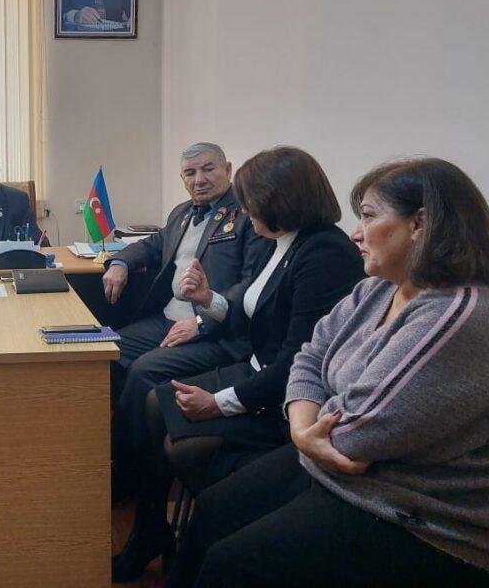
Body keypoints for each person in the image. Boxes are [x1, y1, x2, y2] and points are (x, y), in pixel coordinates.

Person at [168, 157, 489, 588]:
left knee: (231, 565)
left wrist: (307, 425)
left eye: (369, 216)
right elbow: (309, 356)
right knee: (212, 511)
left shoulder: (458, 315)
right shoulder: (380, 287)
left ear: (419, 224)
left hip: (434, 519)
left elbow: (353, 435)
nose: (356, 232)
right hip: (342, 467)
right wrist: (304, 432)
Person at [113, 146, 364, 583]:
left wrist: (220, 402)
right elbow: (248, 308)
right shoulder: (281, 241)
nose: (244, 210)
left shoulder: (324, 254)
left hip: (283, 397)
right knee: (154, 401)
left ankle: (212, 524)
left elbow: (294, 364)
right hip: (256, 371)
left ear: (280, 200)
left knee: (174, 435)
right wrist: (207, 298)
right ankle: (151, 527)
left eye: (251, 201)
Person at [107, 143, 264, 498]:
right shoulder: (181, 213)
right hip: (167, 320)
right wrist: (120, 263)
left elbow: (252, 284)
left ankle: (132, 478)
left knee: (143, 373)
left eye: (208, 169)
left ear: (228, 169)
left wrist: (203, 323)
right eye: (190, 173)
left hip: (215, 332)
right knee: (107, 352)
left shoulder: (247, 216)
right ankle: (127, 455)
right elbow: (151, 245)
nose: (199, 180)